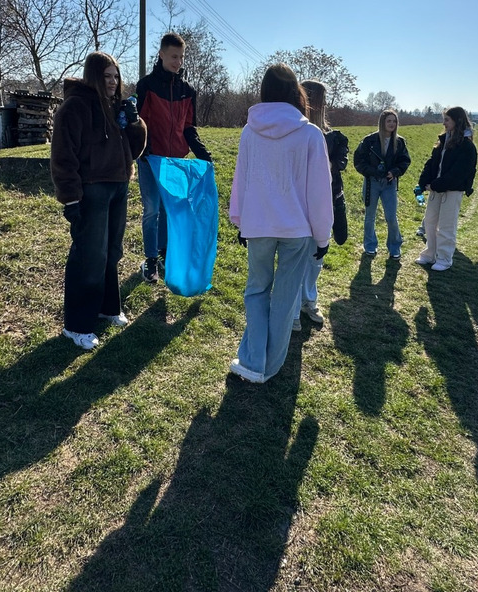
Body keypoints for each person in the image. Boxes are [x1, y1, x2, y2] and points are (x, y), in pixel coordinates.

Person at [228, 64, 333, 383]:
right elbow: (319, 192)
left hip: (258, 225)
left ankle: (252, 361)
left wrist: (240, 219)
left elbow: (241, 179)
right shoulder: (311, 134)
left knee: (257, 291)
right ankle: (268, 366)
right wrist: (322, 237)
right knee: (286, 300)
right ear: (295, 93)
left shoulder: (250, 131)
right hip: (297, 231)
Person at [50, 52, 148, 350]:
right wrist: (71, 199)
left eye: (116, 76)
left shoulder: (116, 107)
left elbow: (135, 149)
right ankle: (76, 325)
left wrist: (135, 124)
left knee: (111, 251)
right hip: (91, 190)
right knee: (89, 256)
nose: (113, 82)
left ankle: (107, 308)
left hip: (118, 186)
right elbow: (63, 156)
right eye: (107, 76)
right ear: (93, 76)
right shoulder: (75, 107)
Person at [133, 32, 213, 284]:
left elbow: (189, 127)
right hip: (149, 160)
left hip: (175, 162)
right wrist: (142, 150)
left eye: (181, 57)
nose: (177, 62)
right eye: (173, 56)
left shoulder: (188, 91)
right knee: (152, 210)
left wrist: (202, 152)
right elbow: (138, 123)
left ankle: (166, 255)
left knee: (170, 210)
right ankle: (150, 260)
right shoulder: (145, 85)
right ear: (162, 55)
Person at [294, 79, 349, 329]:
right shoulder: (294, 132)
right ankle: (293, 309)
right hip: (298, 204)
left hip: (325, 202)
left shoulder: (334, 137)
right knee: (296, 257)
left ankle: (309, 301)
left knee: (316, 256)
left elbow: (339, 164)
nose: (318, 104)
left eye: (320, 99)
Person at [414, 107, 477, 272]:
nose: (444, 123)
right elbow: (432, 163)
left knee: (446, 226)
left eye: (447, 120)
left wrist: (435, 185)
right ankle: (430, 254)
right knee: (430, 222)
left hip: (452, 191)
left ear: (457, 120)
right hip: (436, 189)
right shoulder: (443, 141)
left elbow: (458, 173)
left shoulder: (467, 146)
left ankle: (444, 259)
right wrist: (423, 183)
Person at [352, 109, 411, 259]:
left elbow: (405, 161)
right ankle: (370, 246)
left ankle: (394, 247)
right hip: (372, 183)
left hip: (390, 184)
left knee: (391, 217)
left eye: (394, 121)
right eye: (389, 121)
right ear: (382, 122)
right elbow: (358, 161)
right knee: (370, 216)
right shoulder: (369, 141)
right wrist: (373, 172)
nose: (392, 124)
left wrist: (395, 172)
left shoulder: (399, 141)